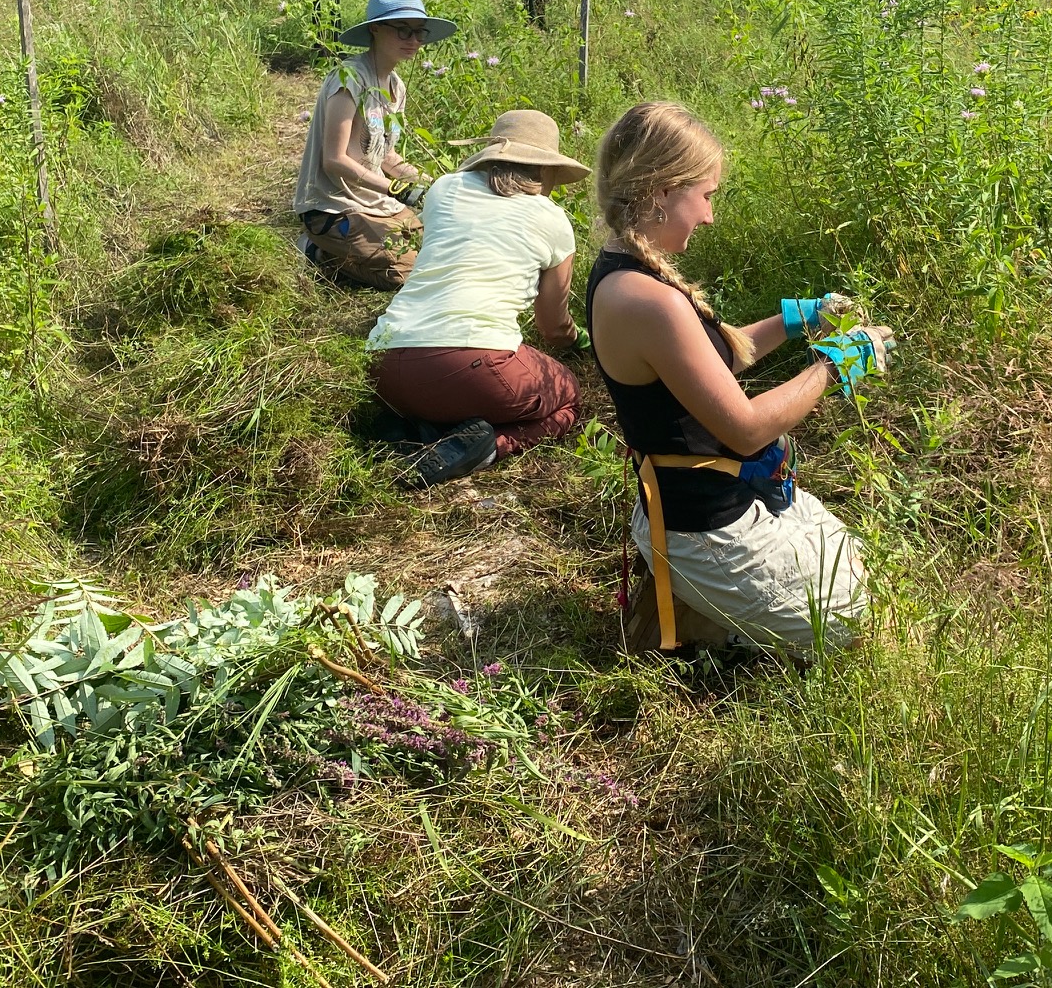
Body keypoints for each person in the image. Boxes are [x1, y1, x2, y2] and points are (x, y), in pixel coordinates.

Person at [586, 101, 896, 654]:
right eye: (705, 197)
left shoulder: (626, 272)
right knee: (855, 628)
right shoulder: (647, 300)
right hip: (705, 529)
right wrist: (833, 365)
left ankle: (712, 608)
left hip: (721, 497)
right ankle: (712, 619)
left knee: (860, 575)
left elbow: (712, 360)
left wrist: (795, 319)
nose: (709, 216)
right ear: (661, 190)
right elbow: (748, 429)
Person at [367, 109, 591, 487]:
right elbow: (552, 327)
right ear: (546, 169)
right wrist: (581, 340)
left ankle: (411, 425)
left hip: (383, 364)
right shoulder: (551, 219)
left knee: (440, 385)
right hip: (474, 366)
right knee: (567, 395)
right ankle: (490, 445)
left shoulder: (443, 189)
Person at [292, 0, 454, 289]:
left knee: (441, 252)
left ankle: (354, 250)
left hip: (378, 202)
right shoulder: (350, 78)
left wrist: (432, 184)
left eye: (420, 32)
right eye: (403, 31)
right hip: (336, 205)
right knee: (407, 274)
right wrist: (397, 189)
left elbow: (385, 155)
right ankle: (319, 253)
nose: (414, 41)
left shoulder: (395, 85)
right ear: (376, 30)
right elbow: (334, 160)